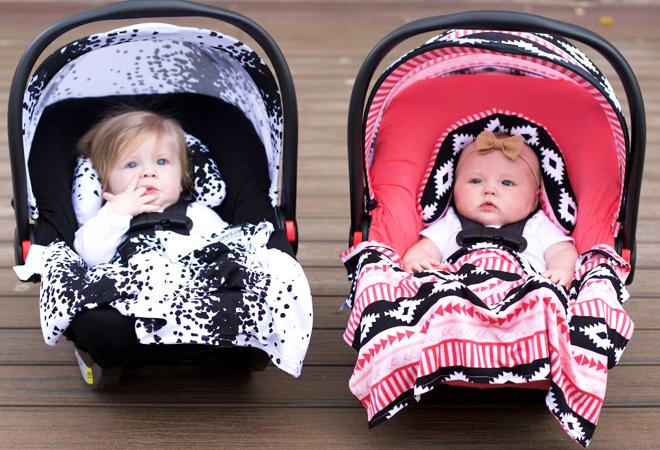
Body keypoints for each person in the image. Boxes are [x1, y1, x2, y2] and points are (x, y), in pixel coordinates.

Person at [402, 131, 578, 286]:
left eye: (507, 183)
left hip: (522, 293)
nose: (489, 190)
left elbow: (562, 251)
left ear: (534, 199)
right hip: (457, 292)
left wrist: (561, 272)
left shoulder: (538, 224)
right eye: (476, 181)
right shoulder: (450, 221)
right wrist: (417, 262)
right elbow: (424, 249)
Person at [73, 110, 227, 266]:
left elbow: (231, 250)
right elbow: (90, 258)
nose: (149, 172)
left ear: (181, 179)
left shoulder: (199, 214)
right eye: (132, 164)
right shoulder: (108, 221)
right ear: (106, 184)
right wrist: (118, 211)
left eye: (161, 162)